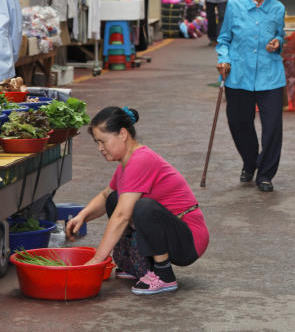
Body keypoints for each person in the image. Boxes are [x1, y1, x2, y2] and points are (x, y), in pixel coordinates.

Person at [66, 106, 208, 295]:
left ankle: (164, 275)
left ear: (122, 134)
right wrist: (82, 216)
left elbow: (122, 216)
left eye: (103, 141)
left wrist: (97, 260)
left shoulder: (141, 160)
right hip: (171, 233)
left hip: (189, 240)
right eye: (97, 143)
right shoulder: (126, 163)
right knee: (113, 198)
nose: (100, 148)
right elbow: (104, 196)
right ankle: (135, 266)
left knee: (143, 207)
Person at [216, 0, 286, 192]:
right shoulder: (235, 5)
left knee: (273, 126)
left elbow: (280, 35)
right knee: (239, 124)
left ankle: (265, 174)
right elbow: (224, 39)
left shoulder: (277, 8)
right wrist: (223, 59)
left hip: (270, 75)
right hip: (239, 74)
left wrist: (278, 42)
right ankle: (249, 161)